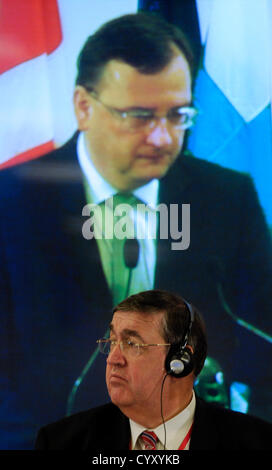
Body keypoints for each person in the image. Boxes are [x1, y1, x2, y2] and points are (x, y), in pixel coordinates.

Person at [1, 13, 272, 449]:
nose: (164, 138)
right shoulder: (10, 204)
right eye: (140, 116)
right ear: (83, 106)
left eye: (178, 115)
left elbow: (265, 349)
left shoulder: (226, 198)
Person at [35, 289, 272, 451]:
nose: (113, 359)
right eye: (112, 342)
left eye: (132, 344)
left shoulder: (255, 442)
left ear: (181, 358)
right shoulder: (61, 443)